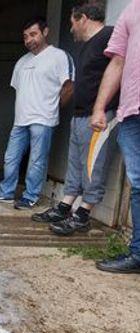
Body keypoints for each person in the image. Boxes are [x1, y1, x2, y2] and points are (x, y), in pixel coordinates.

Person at [32, 1, 118, 235]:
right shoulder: (88, 46)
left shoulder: (109, 36)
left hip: (100, 115)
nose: (70, 29)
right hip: (80, 114)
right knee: (75, 165)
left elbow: (119, 69)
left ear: (84, 19)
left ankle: (82, 216)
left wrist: (102, 109)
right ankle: (64, 206)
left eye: (72, 23)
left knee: (93, 166)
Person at [0, 17, 74, 209]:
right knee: (11, 157)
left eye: (33, 34)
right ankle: (5, 193)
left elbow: (68, 86)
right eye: (25, 37)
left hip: (43, 119)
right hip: (20, 120)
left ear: (45, 32)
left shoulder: (59, 56)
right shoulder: (21, 62)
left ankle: (30, 195)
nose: (29, 40)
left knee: (36, 160)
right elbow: (19, 90)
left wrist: (53, 108)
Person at [91, 0, 140, 273]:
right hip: (132, 112)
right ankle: (138, 254)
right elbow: (118, 61)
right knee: (139, 186)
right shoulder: (132, 10)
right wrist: (100, 107)